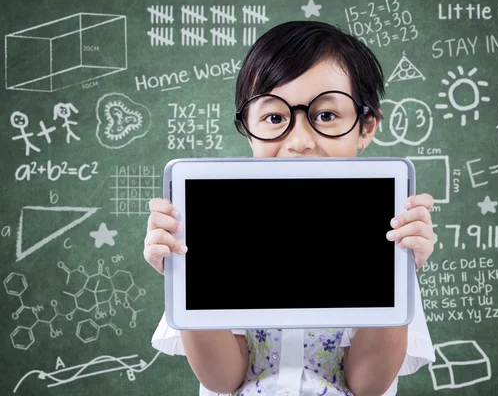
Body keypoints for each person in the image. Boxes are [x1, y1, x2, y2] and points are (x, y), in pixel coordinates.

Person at [145, 20, 436, 396]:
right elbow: (221, 379)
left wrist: (400, 267)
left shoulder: (390, 229)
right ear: (247, 128)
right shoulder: (214, 225)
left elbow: (368, 384)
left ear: (366, 127)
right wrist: (185, 273)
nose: (299, 141)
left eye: (326, 115)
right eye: (274, 118)